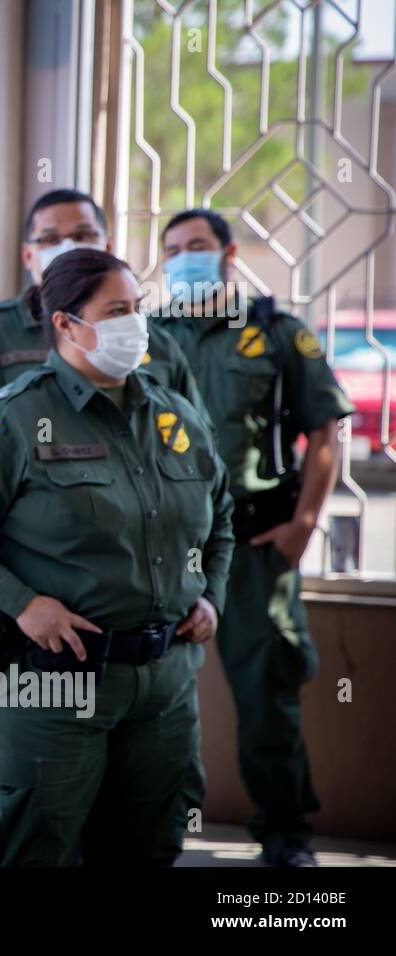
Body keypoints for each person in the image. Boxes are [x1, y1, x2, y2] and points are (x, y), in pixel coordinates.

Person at [0, 187, 208, 866]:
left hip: (160, 681)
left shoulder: (173, 411)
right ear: (66, 325)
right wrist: (15, 600)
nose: (136, 326)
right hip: (48, 677)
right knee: (34, 845)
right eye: (117, 313)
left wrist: (208, 589)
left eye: (138, 310)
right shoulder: (7, 405)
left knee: (146, 845)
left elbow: (213, 513)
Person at [154, 208, 353, 867]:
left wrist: (305, 524)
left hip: (253, 544)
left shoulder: (275, 332)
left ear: (228, 254)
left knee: (266, 693)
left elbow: (325, 433)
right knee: (145, 694)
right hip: (161, 546)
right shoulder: (145, 336)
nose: (185, 258)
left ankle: (285, 833)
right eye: (173, 249)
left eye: (198, 246)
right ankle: (144, 831)